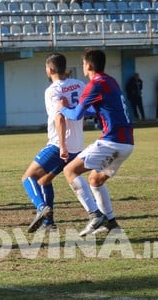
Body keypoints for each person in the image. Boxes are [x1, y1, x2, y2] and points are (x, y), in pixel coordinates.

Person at [59, 48, 134, 236]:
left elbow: (76, 115)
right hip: (126, 144)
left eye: (83, 63)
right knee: (95, 180)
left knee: (69, 170)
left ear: (89, 65)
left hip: (111, 143)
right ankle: (111, 224)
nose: (83, 66)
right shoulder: (110, 81)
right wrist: (76, 109)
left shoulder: (94, 85)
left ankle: (95, 215)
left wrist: (63, 108)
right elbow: (100, 110)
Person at [22, 53, 86, 233]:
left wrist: (63, 145)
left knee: (28, 177)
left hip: (60, 144)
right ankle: (49, 225)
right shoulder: (80, 85)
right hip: (78, 145)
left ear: (49, 70)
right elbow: (84, 111)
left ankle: (42, 208)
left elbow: (59, 117)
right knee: (44, 179)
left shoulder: (52, 90)